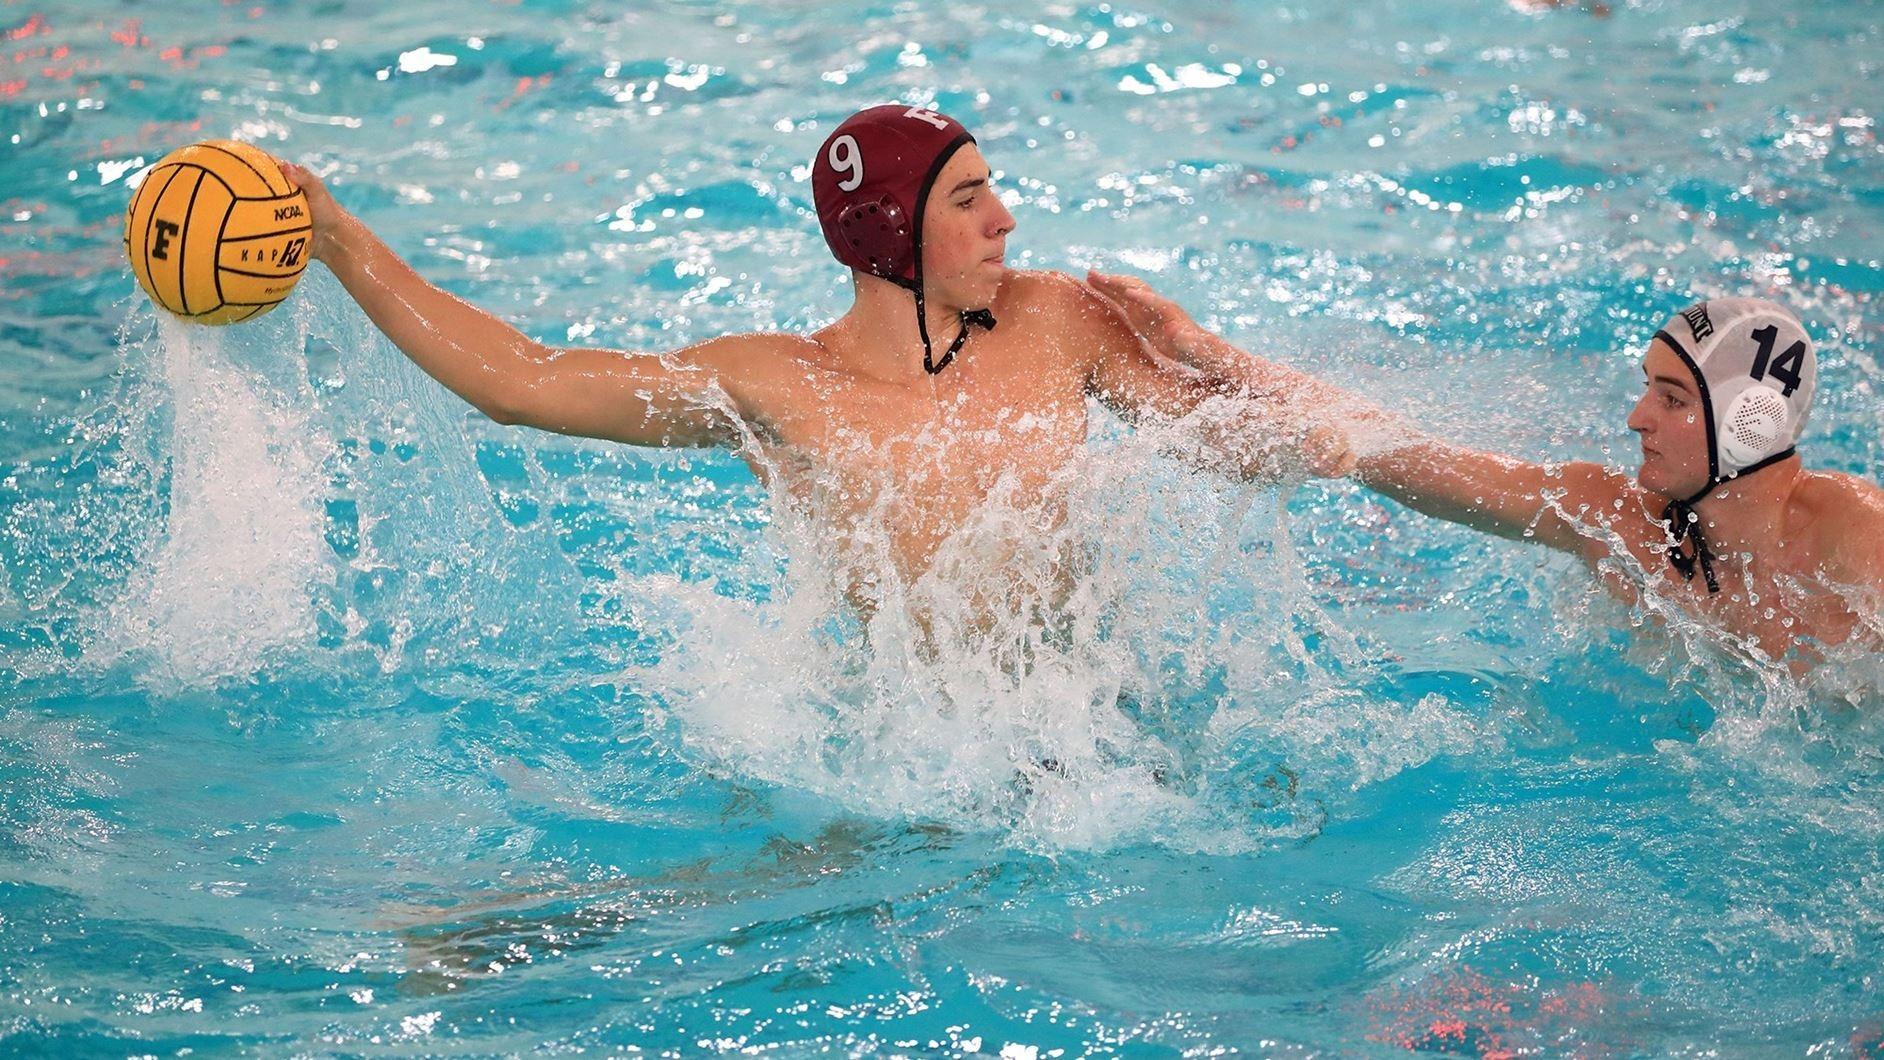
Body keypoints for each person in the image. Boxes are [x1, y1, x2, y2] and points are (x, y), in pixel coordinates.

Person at [278, 105, 1351, 623]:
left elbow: (1245, 445)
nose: (1006, 220)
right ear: (891, 231)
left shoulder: (1057, 321)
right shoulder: (775, 387)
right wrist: (340, 243)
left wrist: (1232, 372)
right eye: (968, 198)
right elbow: (524, 382)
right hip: (915, 772)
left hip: (1093, 742)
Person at [1087, 272, 1884, 659]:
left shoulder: (1857, 541)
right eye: (1647, 388)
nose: (1637, 417)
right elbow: (1405, 450)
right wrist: (1204, 350)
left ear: (1749, 425)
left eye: (1671, 399)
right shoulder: (1615, 519)